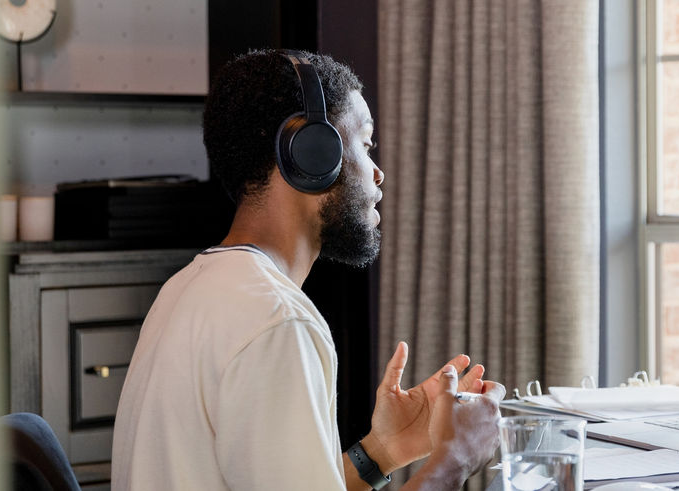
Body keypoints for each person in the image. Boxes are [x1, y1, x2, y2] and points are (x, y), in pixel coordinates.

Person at [111, 50, 505, 491]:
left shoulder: (188, 289)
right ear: (313, 153)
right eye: (366, 143)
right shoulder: (278, 322)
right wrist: (457, 458)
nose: (378, 174)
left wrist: (385, 449)